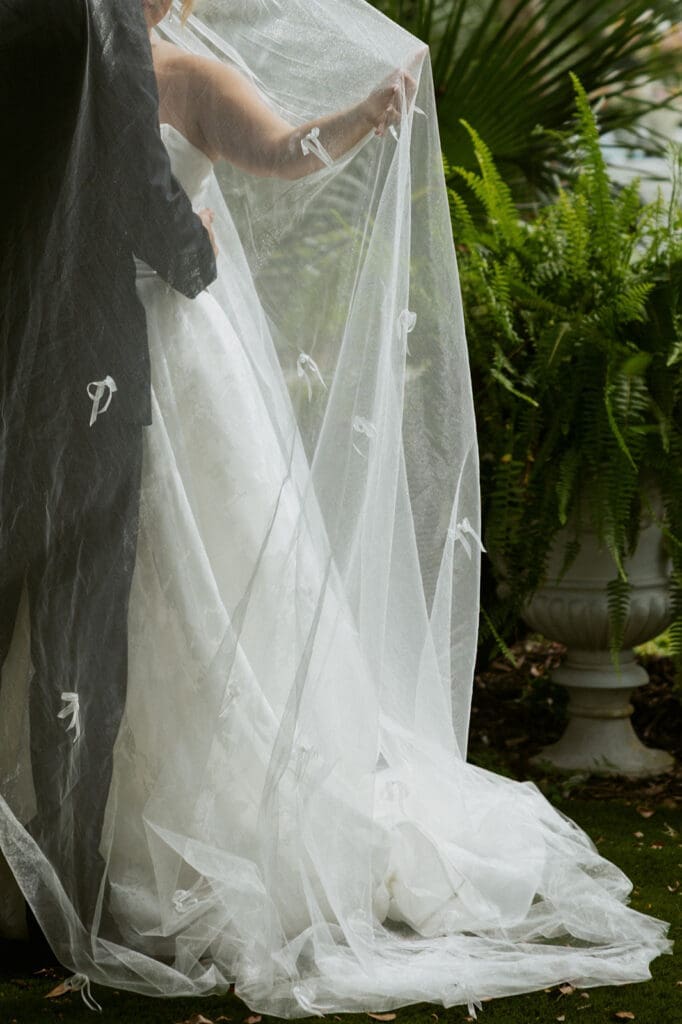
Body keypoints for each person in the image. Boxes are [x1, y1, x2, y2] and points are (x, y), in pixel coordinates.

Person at [0, 0, 671, 1015]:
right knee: (88, 592)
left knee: (202, 577)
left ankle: (175, 836)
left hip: (183, 356)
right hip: (83, 363)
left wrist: (358, 120)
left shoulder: (185, 73)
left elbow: (279, 153)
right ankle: (59, 832)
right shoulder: (69, 66)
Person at [0, 0, 216, 928]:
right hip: (73, 351)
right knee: (76, 621)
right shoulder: (100, 15)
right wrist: (197, 254)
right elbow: (133, 180)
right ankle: (68, 892)